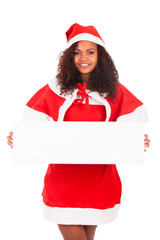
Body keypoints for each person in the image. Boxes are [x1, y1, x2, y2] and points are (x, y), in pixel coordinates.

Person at [7, 23, 150, 240]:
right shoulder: (54, 89)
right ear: (69, 58)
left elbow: (130, 125)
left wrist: (136, 140)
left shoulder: (114, 90)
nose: (84, 57)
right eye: (77, 52)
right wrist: (21, 138)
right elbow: (34, 126)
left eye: (90, 52)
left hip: (99, 181)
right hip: (63, 182)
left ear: (100, 56)